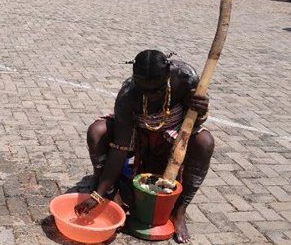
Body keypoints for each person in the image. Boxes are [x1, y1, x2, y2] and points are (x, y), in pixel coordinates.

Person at [77, 50, 212, 243]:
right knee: (97, 131)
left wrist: (201, 110)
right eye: (143, 90)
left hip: (173, 141)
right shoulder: (128, 95)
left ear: (167, 76)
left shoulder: (185, 78)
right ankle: (111, 193)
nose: (150, 96)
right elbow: (120, 149)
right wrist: (98, 194)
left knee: (205, 142)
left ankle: (179, 211)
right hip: (139, 140)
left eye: (156, 90)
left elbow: (194, 123)